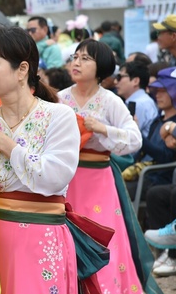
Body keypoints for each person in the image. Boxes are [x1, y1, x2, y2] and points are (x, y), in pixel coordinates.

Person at [0, 27, 89, 292]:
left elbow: (53, 178)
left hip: (41, 237)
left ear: (22, 69)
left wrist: (6, 145)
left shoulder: (58, 116)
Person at [58, 39, 156, 293]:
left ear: (100, 66)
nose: (76, 62)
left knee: (104, 237)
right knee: (67, 236)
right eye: (75, 56)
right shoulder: (60, 98)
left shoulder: (110, 101)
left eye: (85, 58)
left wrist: (102, 128)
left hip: (99, 180)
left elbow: (134, 139)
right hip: (66, 178)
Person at [123, 67, 176, 200]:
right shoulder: (157, 121)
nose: (157, 95)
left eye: (163, 91)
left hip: (157, 178)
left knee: (119, 192)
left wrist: (139, 135)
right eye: (157, 90)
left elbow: (165, 156)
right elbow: (141, 153)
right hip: (144, 175)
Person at [114, 61, 158, 139]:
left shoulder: (139, 104)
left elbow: (127, 138)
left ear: (135, 81)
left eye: (119, 77)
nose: (115, 82)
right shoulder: (140, 101)